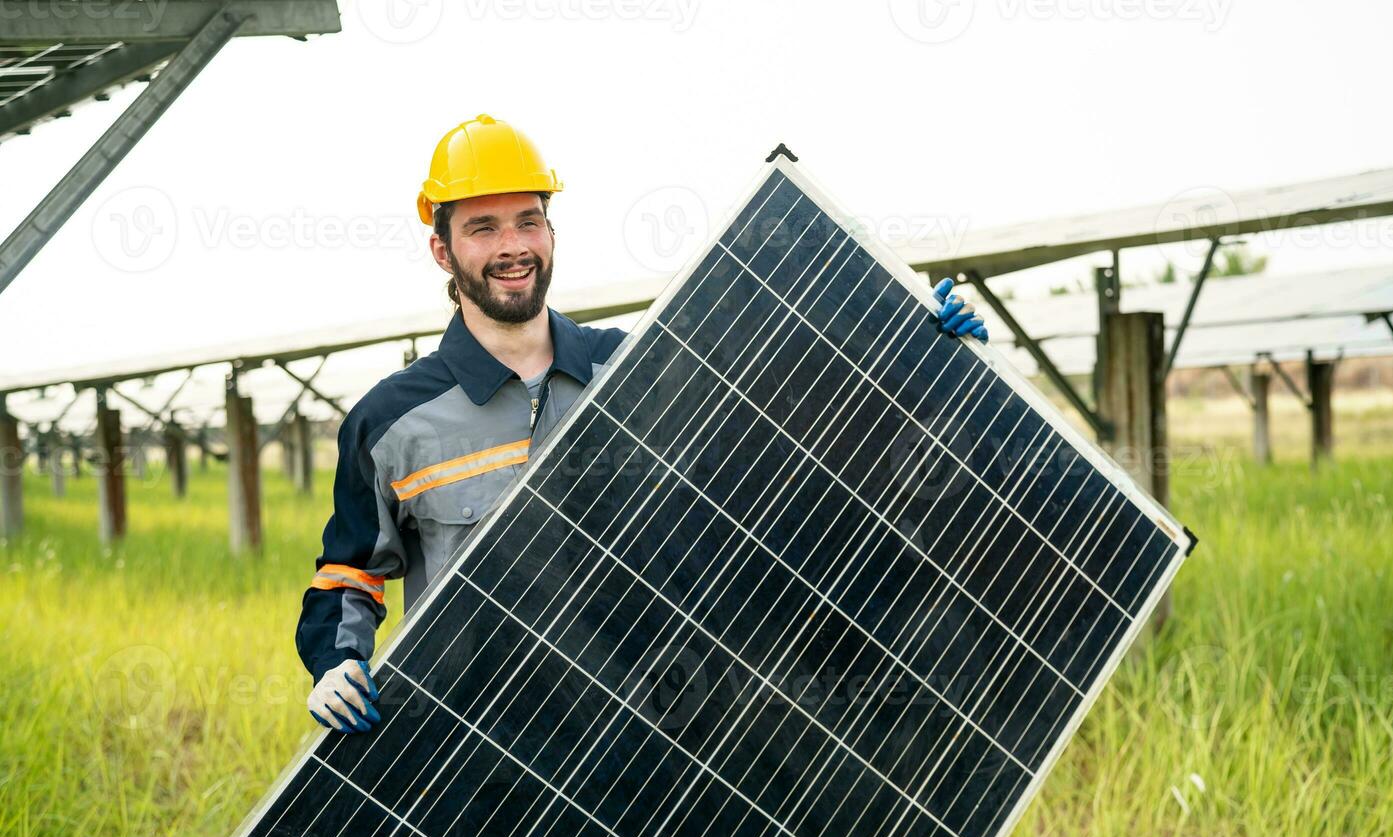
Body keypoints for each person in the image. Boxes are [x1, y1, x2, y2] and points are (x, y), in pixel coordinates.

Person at [297, 114, 989, 733]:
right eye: (483, 227)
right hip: (485, 742)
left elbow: (797, 422)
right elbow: (349, 576)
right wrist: (336, 663)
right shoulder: (390, 420)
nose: (512, 245)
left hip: (661, 728)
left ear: (551, 231)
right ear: (443, 251)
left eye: (528, 220)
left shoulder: (642, 369)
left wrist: (915, 341)